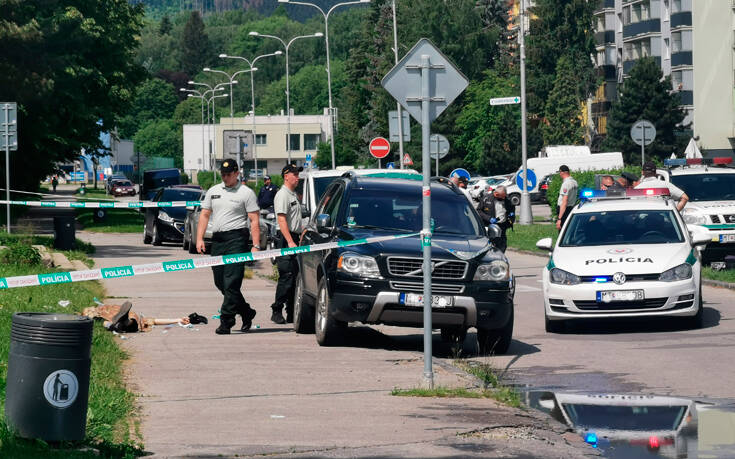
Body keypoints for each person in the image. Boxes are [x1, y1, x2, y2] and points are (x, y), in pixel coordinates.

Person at [197, 160, 261, 335]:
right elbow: (204, 215)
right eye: (223, 174)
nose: (225, 177)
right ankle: (247, 311)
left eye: (228, 174)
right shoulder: (214, 191)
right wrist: (199, 238)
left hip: (237, 240)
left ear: (237, 173)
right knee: (220, 282)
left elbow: (254, 220)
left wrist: (255, 245)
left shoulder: (246, 193)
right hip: (218, 240)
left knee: (232, 282)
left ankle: (227, 320)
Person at [271, 163, 304, 324]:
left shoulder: (293, 194)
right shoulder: (282, 195)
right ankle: (276, 310)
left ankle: (291, 312)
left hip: (294, 238)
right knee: (286, 276)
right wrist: (290, 241)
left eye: (298, 174)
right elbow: (282, 220)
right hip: (285, 239)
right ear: (286, 176)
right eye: (295, 175)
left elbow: (296, 220)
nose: (298, 177)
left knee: (294, 276)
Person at [82, 301, 208, 333]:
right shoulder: (109, 308)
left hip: (122, 322)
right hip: (133, 323)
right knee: (136, 322)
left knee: (104, 323)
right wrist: (177, 319)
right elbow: (154, 321)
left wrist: (178, 319)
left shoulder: (100, 311)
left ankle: (117, 325)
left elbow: (154, 321)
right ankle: (121, 323)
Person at [476, 185, 515, 252]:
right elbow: (479, 211)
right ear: (496, 194)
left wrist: (511, 215)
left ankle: (500, 257)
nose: (504, 197)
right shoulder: (486, 198)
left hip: (502, 226)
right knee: (490, 245)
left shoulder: (506, 199)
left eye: (504, 196)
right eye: (502, 196)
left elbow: (511, 208)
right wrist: (489, 218)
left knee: (502, 245)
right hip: (489, 226)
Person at [556, 165, 578, 231]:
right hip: (571, 208)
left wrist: (559, 219)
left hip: (564, 210)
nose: (559, 174)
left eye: (559, 172)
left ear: (562, 172)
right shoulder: (574, 182)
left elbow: (564, 202)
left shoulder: (566, 184)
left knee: (562, 231)